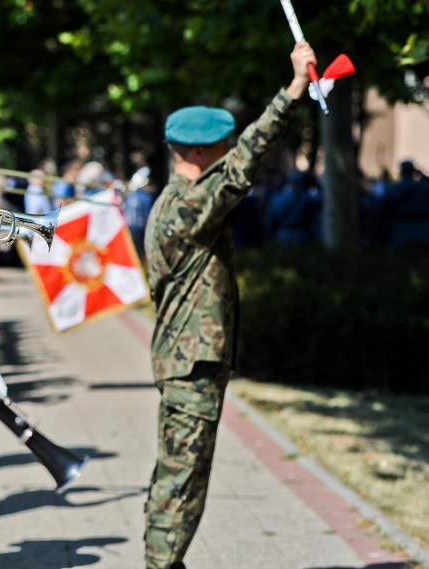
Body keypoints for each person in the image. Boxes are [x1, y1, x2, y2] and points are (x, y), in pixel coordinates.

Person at [142, 42, 316, 569]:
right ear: (196, 154)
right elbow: (244, 165)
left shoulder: (178, 203)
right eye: (219, 148)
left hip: (188, 362)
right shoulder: (190, 206)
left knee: (177, 472)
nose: (225, 155)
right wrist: (292, 91)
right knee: (183, 477)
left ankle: (164, 561)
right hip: (190, 364)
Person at [264, 169, 321, 246]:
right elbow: (315, 220)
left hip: (282, 235)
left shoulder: (277, 198)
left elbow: (270, 220)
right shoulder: (309, 198)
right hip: (302, 236)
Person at [380, 160, 429, 249]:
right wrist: (422, 174)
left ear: (401, 171)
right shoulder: (423, 188)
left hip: (400, 227)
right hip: (420, 227)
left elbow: (385, 205)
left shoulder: (393, 188)